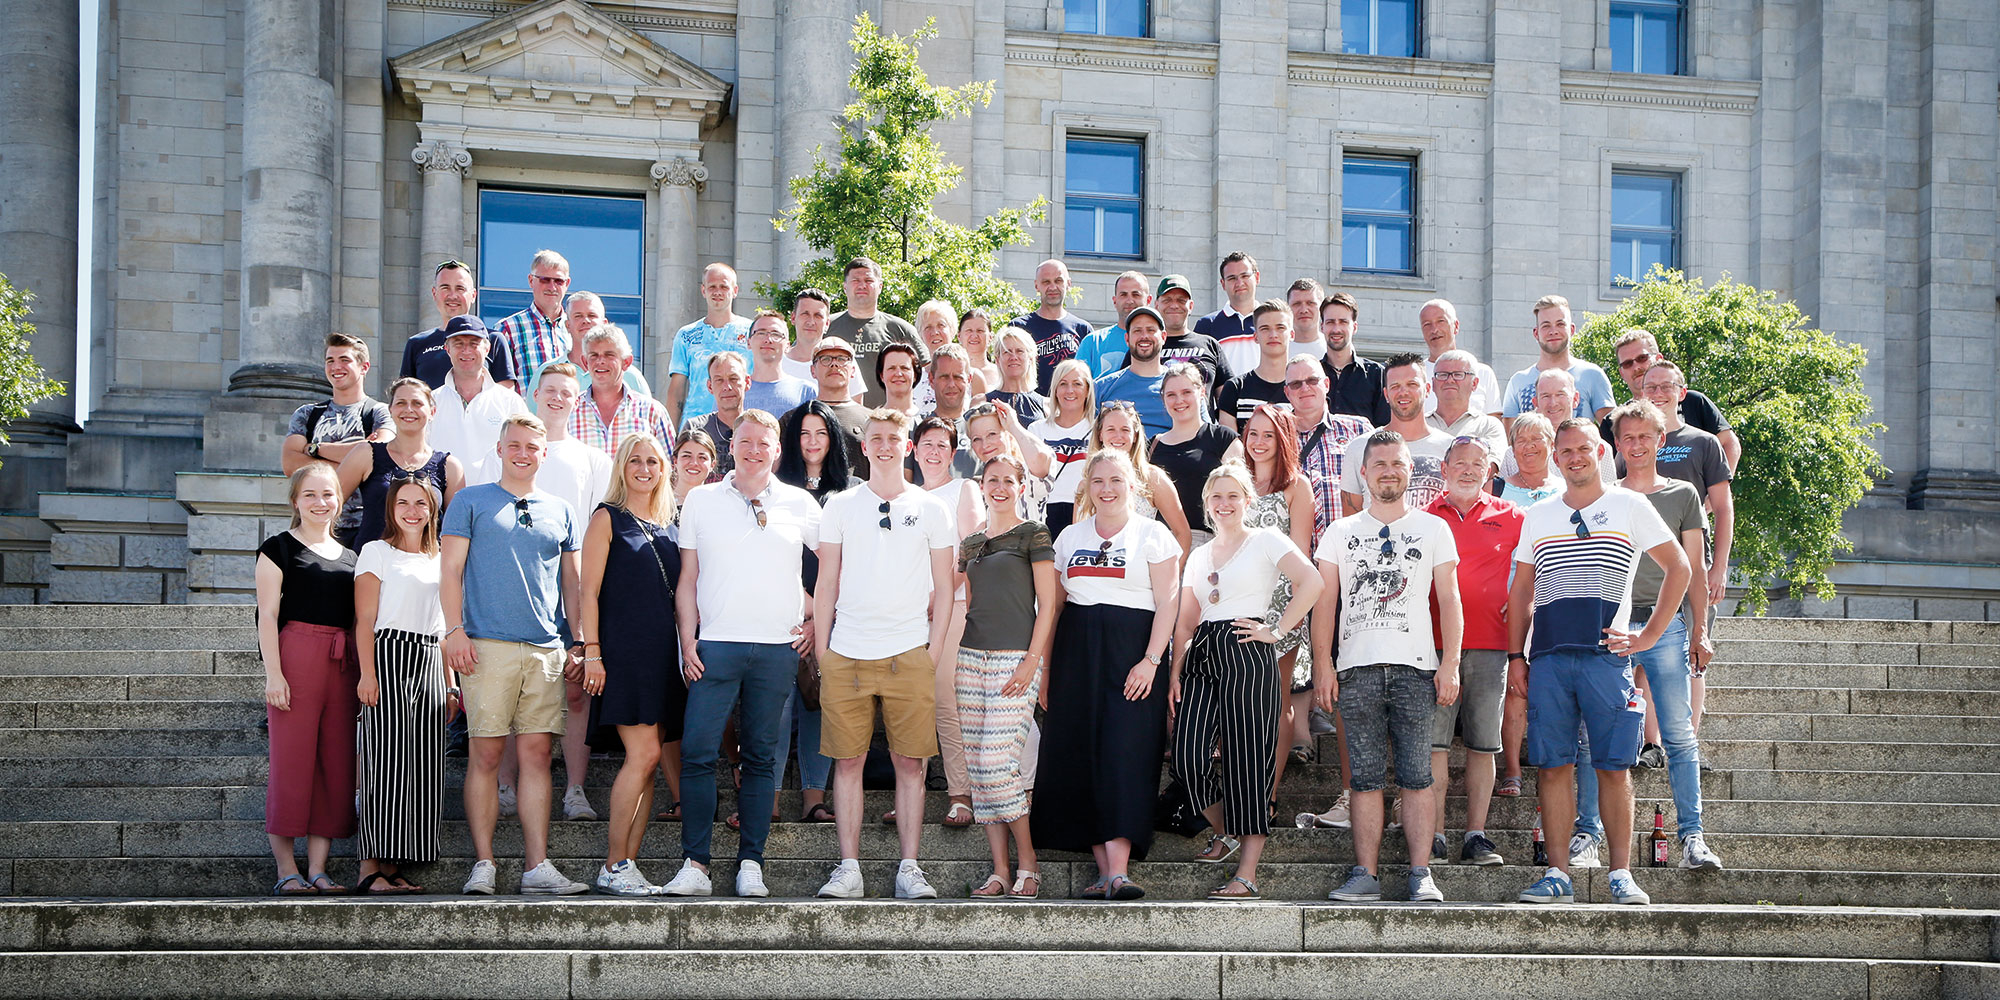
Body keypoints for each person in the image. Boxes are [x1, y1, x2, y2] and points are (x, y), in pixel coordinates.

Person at [1508, 419, 1690, 907]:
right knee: (1552, 766)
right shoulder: (1539, 516)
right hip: (1546, 657)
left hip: (1606, 658)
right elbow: (1522, 589)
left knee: (1613, 766)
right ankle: (1557, 874)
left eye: (1583, 449)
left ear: (1601, 452)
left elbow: (1680, 567)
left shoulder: (1629, 504)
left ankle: (1621, 874)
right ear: (1555, 457)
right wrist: (1515, 657)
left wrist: (1647, 636)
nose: (1574, 457)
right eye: (1565, 450)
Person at [657, 411, 823, 897]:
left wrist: (815, 621)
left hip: (777, 650)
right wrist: (687, 640)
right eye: (745, 441)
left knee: (759, 759)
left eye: (763, 442)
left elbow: (832, 567)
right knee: (697, 751)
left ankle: (751, 862)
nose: (753, 449)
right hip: (716, 646)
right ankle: (696, 865)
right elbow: (687, 580)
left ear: (776, 449)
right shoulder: (702, 501)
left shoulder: (800, 503)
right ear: (732, 447)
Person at [1569, 399, 1725, 874]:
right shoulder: (1603, 494)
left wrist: (1700, 628)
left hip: (1666, 622)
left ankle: (1692, 838)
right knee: (1594, 734)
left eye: (1645, 437)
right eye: (1627, 438)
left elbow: (1694, 567)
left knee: (1678, 732)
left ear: (1661, 440)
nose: (1636, 445)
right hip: (1610, 619)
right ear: (1615, 445)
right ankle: (1586, 834)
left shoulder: (1682, 495)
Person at [441, 413, 590, 896]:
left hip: (545, 647)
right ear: (501, 448)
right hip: (485, 644)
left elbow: (572, 582)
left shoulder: (561, 509)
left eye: (533, 446)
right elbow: (451, 572)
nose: (523, 453)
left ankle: (536, 866)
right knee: (485, 753)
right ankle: (483, 863)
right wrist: (454, 632)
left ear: (544, 454)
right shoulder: (469, 501)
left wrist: (579, 640)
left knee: (538, 755)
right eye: (516, 445)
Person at [813, 409, 956, 900]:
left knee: (910, 764)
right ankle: (848, 867)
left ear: (908, 445)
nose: (886, 445)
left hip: (909, 653)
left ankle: (909, 868)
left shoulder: (933, 508)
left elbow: (945, 587)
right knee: (847, 763)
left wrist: (931, 654)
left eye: (895, 438)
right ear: (865, 446)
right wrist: (823, 651)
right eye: (877, 438)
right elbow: (825, 581)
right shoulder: (840, 505)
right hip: (847, 654)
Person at [1315, 430, 1463, 904]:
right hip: (1355, 670)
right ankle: (1366, 875)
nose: (1387, 472)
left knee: (1418, 774)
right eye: (1378, 464)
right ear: (1364, 472)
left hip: (1417, 668)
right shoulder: (1340, 532)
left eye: (1396, 464)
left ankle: (1421, 874)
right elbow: (1325, 604)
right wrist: (1322, 664)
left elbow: (1450, 601)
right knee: (1363, 777)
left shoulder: (1434, 529)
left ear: (1409, 470)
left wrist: (1451, 664)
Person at [1031, 449, 1181, 900]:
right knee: (1080, 754)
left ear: (1132, 484)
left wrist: (1151, 660)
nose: (1107, 489)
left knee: (1124, 753)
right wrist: (1045, 670)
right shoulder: (1069, 537)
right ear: (1087, 487)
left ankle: (1119, 870)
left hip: (1133, 652)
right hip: (1076, 651)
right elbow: (1053, 608)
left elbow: (1169, 601)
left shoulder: (1154, 535)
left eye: (1116, 480)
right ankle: (1105, 872)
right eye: (1098, 481)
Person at [1170, 463, 1323, 900]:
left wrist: (1275, 629)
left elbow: (1310, 581)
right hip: (1202, 652)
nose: (1224, 504)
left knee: (1249, 759)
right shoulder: (1198, 555)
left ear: (1247, 500)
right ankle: (1228, 830)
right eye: (1216, 497)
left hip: (1247, 647)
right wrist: (1175, 673)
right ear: (1206, 505)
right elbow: (1184, 621)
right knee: (1187, 758)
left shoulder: (1265, 540)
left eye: (1233, 495)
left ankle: (1246, 873)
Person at [577, 432, 680, 895]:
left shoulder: (670, 524)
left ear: (664, 470)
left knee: (652, 759)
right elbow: (588, 592)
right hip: (624, 653)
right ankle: (613, 863)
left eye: (653, 462)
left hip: (664, 656)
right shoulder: (607, 518)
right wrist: (592, 652)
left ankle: (627, 866)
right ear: (622, 467)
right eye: (635, 461)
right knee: (643, 754)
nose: (644, 469)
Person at [956, 454, 1060, 898]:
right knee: (979, 768)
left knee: (998, 763)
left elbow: (1048, 603)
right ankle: (1000, 870)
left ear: (1021, 486)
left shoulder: (1033, 533)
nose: (999, 487)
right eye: (992, 480)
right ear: (982, 484)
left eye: (1008, 481)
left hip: (1014, 659)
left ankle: (1029, 862)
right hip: (969, 660)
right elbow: (969, 600)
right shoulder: (971, 542)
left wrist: (1032, 661)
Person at [257, 462, 360, 897]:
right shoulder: (277, 548)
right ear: (296, 501)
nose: (321, 503)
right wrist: (274, 674)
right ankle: (287, 868)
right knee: (291, 763)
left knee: (335, 766)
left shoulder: (353, 556)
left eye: (329, 495)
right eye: (311, 495)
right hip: (296, 654)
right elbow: (267, 615)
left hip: (342, 661)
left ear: (340, 501)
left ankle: (318, 867)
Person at [1422, 435, 1521, 867]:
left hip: (1491, 644)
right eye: (1459, 462)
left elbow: (1537, 569)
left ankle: (1476, 836)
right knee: (1434, 745)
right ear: (1443, 469)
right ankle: (1436, 834)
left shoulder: (1515, 516)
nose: (1467, 469)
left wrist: (1527, 600)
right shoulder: (1422, 517)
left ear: (1491, 472)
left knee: (1483, 744)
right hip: (1432, 646)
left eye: (1477, 463)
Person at [523, 362, 614, 822]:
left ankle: (575, 789)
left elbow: (601, 531)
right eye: (549, 390)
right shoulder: (508, 452)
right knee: (519, 689)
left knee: (576, 692)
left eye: (566, 391)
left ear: (577, 400)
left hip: (575, 589)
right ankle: (505, 785)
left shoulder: (594, 460)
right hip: (522, 588)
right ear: (533, 394)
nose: (557, 397)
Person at [352, 476, 449, 894]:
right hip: (389, 653)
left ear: (432, 510)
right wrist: (368, 673)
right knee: (384, 761)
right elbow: (364, 621)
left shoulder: (441, 558)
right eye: (404, 502)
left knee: (421, 764)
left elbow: (444, 625)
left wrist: (449, 681)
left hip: (429, 656)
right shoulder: (376, 552)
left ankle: (394, 866)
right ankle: (369, 868)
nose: (412, 510)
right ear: (391, 508)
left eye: (421, 503)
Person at [774, 401, 862, 825]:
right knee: (778, 709)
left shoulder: (851, 493)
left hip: (835, 618)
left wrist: (819, 620)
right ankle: (767, 799)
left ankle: (814, 800)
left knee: (819, 705)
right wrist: (803, 614)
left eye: (821, 434)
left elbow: (855, 563)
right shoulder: (774, 491)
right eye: (804, 434)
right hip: (781, 616)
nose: (812, 442)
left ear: (833, 439)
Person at [1238, 403, 1319, 800]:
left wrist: (1288, 618)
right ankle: (1242, 789)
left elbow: (1301, 555)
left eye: (1268, 434)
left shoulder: (1296, 487)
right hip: (1236, 604)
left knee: (1276, 701)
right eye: (1252, 433)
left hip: (1280, 607)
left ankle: (1266, 796)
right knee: (1240, 702)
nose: (1258, 442)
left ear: (1283, 439)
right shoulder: (1236, 481)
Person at [910, 416, 984, 829]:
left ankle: (961, 794)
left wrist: (940, 596)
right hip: (908, 614)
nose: (934, 451)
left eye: (942, 445)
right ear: (915, 450)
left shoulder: (963, 488)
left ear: (952, 453)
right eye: (927, 444)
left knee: (944, 699)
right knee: (910, 703)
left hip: (952, 606)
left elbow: (972, 547)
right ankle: (911, 794)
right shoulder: (906, 496)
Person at [335, 377, 466, 550]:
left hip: (426, 567)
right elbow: (329, 503)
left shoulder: (450, 467)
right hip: (370, 568)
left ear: (432, 412)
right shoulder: (365, 454)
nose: (409, 409)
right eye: (401, 403)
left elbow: (458, 531)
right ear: (391, 410)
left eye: (417, 403)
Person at [1604, 328, 1740, 470]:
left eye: (1642, 358)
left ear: (1659, 359)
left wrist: (1719, 486)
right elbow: (1611, 471)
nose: (1636, 367)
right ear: (1621, 372)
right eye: (1627, 363)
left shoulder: (1693, 401)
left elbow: (1730, 443)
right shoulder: (1613, 420)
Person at [1339, 353, 1455, 514]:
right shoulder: (1360, 447)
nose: (1403, 392)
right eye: (1395, 386)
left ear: (1427, 389)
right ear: (1386, 395)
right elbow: (1350, 519)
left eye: (1412, 384)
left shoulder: (1451, 448)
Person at [429, 316, 529, 487]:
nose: (466, 351)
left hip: (495, 502)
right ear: (447, 349)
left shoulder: (510, 402)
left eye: (474, 344)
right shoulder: (431, 401)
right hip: (441, 503)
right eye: (459, 343)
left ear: (487, 348)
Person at [1148, 363, 1237, 547]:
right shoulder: (1151, 446)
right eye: (1171, 395)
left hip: (1211, 543)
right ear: (1163, 399)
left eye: (1186, 392)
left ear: (1202, 392)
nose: (1179, 400)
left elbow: (1238, 495)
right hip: (1161, 544)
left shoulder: (1224, 439)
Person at [281, 333, 393, 480]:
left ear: (364, 367)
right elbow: (290, 464)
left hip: (363, 503)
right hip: (317, 502)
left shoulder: (381, 412)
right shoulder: (307, 414)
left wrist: (314, 449)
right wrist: (358, 460)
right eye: (330, 361)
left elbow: (379, 455)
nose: (336, 367)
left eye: (344, 360)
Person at [1093, 401, 1194, 555]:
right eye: (1111, 429)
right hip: (1092, 574)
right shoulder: (1086, 483)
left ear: (1135, 435)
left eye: (1125, 429)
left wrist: (1169, 576)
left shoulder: (1152, 478)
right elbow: (1077, 538)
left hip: (1142, 572)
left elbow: (1182, 534)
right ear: (1100, 434)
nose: (1118, 436)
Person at [1501, 294, 1616, 427]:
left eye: (1560, 324)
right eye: (1546, 326)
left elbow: (1612, 431)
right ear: (1536, 333)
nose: (1553, 331)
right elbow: (1511, 439)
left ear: (1572, 329)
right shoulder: (1518, 382)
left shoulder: (1592, 375)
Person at [400, 259, 515, 390]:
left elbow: (506, 395)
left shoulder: (493, 340)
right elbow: (406, 394)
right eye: (445, 288)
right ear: (434, 294)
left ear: (473, 295)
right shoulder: (417, 343)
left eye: (460, 288)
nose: (452, 295)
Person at [666, 262, 753, 429]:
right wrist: (671, 438)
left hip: (740, 426)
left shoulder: (752, 331)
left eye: (724, 286)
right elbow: (676, 391)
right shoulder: (686, 335)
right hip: (696, 428)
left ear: (735, 291)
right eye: (712, 286)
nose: (718, 292)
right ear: (703, 290)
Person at [828, 257, 923, 406]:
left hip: (888, 421)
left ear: (880, 286)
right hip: (837, 420)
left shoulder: (900, 329)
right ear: (845, 287)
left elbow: (927, 372)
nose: (862, 285)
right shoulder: (826, 326)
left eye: (868, 280)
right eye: (855, 280)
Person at [571, 325, 675, 456]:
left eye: (609, 355)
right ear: (585, 363)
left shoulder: (651, 412)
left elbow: (670, 466)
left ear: (626, 362)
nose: (601, 361)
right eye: (594, 355)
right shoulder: (569, 411)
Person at [1500, 369, 1614, 484]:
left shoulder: (1597, 449)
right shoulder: (1515, 454)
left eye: (1560, 394)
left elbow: (1608, 495)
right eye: (1545, 396)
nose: (1553, 403)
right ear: (1535, 402)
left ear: (1575, 399)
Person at [1029, 359, 1096, 536]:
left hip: (1086, 512)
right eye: (1063, 384)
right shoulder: (1036, 429)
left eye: (1077, 384)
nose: (1070, 390)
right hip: (1045, 514)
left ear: (1088, 389)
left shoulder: (1099, 429)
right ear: (1055, 390)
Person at [1149, 275, 1233, 414]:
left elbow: (1227, 400)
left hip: (1201, 432)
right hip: (1157, 432)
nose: (1174, 305)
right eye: (1167, 300)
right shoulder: (1145, 345)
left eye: (1181, 300)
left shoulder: (1209, 345)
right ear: (1157, 305)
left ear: (1191, 306)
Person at [495, 249, 572, 397]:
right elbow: (499, 389)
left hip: (571, 419)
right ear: (531, 280)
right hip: (526, 418)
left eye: (558, 281)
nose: (552, 287)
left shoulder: (577, 329)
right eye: (545, 279)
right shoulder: (507, 329)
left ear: (567, 283)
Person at [552, 290, 650, 401]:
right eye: (578, 316)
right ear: (567, 325)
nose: (586, 320)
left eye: (592, 315)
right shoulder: (548, 372)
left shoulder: (631, 376)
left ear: (604, 323)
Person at [1092, 304, 1172, 435]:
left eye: (1151, 330)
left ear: (1163, 337)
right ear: (1127, 339)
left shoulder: (1182, 388)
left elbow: (1203, 434)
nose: (1144, 336)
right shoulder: (1102, 388)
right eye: (1137, 331)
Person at [1008, 259, 1088, 389]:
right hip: (1031, 406)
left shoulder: (1082, 329)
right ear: (1036, 286)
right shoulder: (1019, 327)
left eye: (1058, 281)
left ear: (1068, 283)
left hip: (1070, 404)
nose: (1052, 287)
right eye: (1046, 282)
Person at [1217, 301, 1295, 431]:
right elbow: (1228, 447)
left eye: (1280, 328)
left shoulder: (1303, 388)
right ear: (1256, 336)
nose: (1273, 335)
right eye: (1265, 329)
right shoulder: (1235, 388)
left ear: (1292, 334)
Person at [1417, 299, 1499, 417]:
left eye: (1441, 321)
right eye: (1427, 324)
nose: (1434, 330)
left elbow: (1495, 423)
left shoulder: (1483, 372)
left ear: (1456, 326)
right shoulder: (1416, 377)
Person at [1318, 292, 1390, 426]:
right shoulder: (1313, 375)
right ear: (1322, 327)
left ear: (1354, 327)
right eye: (1330, 322)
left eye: (1343, 322)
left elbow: (1384, 427)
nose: (1336, 329)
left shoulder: (1377, 374)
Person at [1426, 349, 1507, 463]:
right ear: (1433, 384)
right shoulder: (1419, 425)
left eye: (1458, 375)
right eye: (1442, 375)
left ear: (1474, 383)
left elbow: (1490, 468)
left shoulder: (1488, 426)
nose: (1450, 380)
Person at [802, 336, 871, 468]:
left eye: (842, 359)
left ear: (853, 371)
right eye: (825, 359)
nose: (834, 364)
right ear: (813, 371)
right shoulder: (795, 418)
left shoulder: (871, 421)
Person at [1195, 251, 1262, 375]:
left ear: (1257, 277)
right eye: (1232, 278)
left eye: (1245, 276)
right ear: (1223, 284)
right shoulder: (1207, 325)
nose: (1239, 283)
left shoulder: (1272, 321)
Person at [688, 352, 751, 478]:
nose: (726, 387)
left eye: (733, 379)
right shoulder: (695, 429)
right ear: (710, 386)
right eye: (719, 380)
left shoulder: (759, 429)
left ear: (747, 382)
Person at [1075, 270, 1149, 376]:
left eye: (1136, 295)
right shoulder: (1093, 342)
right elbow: (1078, 384)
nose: (1129, 301)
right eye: (1123, 295)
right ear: (1115, 301)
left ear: (1148, 300)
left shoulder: (1155, 342)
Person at [1498, 412, 1564, 509]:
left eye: (1536, 438)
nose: (1529, 446)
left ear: (1552, 444)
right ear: (1513, 449)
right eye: (1521, 441)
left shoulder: (1567, 490)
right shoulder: (1495, 490)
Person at [987, 327, 1051, 423]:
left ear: (1030, 358)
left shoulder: (1048, 406)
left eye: (1019, 351)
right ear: (997, 360)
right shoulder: (982, 402)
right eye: (1007, 352)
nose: (1013, 357)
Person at [911, 299, 956, 411]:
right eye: (928, 327)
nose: (935, 332)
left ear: (952, 330)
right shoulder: (914, 378)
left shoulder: (973, 376)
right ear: (921, 335)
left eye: (941, 325)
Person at [782, 288, 834, 381]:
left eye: (818, 316)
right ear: (793, 318)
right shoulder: (776, 363)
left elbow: (855, 396)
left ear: (827, 323)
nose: (811, 322)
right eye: (805, 314)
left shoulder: (842, 362)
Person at [925, 344, 976, 430]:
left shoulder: (978, 428)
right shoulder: (916, 428)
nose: (951, 384)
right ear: (931, 379)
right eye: (944, 377)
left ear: (969, 379)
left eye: (958, 377)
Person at [957, 307, 1003, 396]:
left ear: (990, 337)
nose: (974, 336)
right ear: (959, 336)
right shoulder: (951, 372)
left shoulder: (1002, 372)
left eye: (980, 331)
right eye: (969, 330)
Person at [876, 341, 925, 420]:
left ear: (915, 375)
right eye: (891, 368)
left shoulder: (925, 421)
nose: (898, 374)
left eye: (904, 368)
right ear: (882, 375)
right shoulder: (872, 423)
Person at [1284, 278, 1328, 360]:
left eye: (1310, 303)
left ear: (1322, 307)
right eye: (1297, 304)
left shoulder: (1333, 348)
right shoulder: (1278, 348)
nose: (1304, 310)